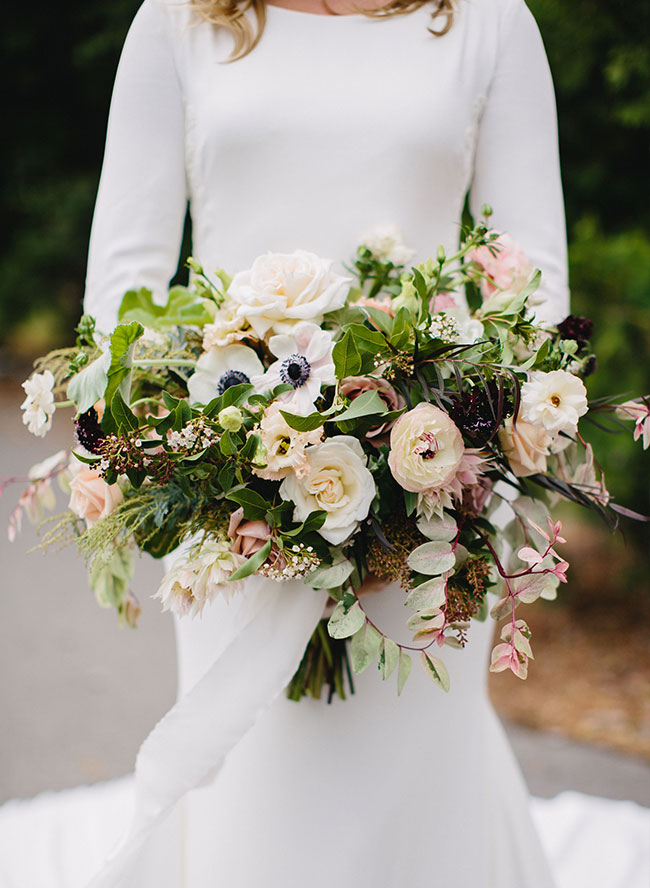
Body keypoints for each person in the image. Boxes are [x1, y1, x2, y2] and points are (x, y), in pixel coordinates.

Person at [84, 0, 568, 884]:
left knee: (414, 772)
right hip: (230, 501)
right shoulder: (179, 20)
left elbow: (530, 278)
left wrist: (476, 439)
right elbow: (125, 279)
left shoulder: (492, 21)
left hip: (436, 488)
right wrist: (177, 451)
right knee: (259, 778)